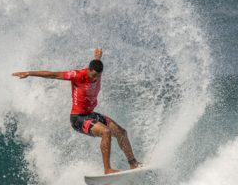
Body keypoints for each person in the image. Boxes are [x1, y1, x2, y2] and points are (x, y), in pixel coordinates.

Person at [12, 48, 141, 174]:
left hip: (90, 115)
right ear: (88, 70)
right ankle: (107, 170)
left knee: (121, 132)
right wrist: (29, 73)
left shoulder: (96, 71)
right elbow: (53, 74)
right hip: (78, 118)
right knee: (106, 132)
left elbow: (96, 64)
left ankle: (133, 163)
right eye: (94, 75)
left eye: (98, 76)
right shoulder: (78, 75)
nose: (95, 79)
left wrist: (97, 57)